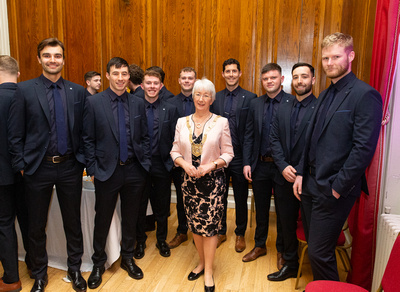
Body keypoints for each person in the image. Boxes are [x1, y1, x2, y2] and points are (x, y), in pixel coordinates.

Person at [293, 32, 382, 281]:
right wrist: (300, 173)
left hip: (333, 189)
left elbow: (363, 149)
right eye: (325, 58)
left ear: (350, 56)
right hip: (310, 185)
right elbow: (310, 140)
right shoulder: (325, 94)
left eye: (335, 57)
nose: (329, 63)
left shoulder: (365, 95)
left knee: (320, 253)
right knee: (316, 248)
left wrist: (337, 188)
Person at [8, 38, 87, 292]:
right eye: (47, 55)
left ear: (64, 59)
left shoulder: (78, 91)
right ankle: (40, 274)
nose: (52, 60)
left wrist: (82, 161)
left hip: (69, 168)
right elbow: (14, 133)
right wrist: (21, 165)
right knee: (35, 225)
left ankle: (75, 270)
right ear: (39, 59)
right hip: (36, 169)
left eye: (57, 55)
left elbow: (84, 131)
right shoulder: (24, 90)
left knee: (73, 223)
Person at [83, 57, 151, 289]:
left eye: (124, 74)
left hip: (134, 170)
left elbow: (145, 137)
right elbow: (88, 139)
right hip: (106, 172)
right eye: (116, 73)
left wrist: (145, 164)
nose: (121, 78)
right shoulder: (94, 103)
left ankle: (128, 259)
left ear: (128, 77)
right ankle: (98, 264)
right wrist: (92, 169)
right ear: (108, 75)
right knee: (102, 219)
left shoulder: (138, 102)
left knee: (131, 218)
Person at [170, 78, 234, 292]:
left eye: (206, 95)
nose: (201, 98)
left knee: (210, 228)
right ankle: (201, 262)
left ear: (212, 99)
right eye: (198, 94)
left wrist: (211, 166)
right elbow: (174, 151)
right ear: (193, 96)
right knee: (195, 227)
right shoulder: (181, 122)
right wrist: (184, 164)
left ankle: (208, 271)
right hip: (189, 182)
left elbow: (228, 153)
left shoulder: (221, 122)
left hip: (213, 183)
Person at [268, 63, 317, 281]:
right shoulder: (283, 107)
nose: (299, 81)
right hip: (283, 176)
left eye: (304, 76)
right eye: (296, 77)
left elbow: (317, 144)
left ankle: (316, 274)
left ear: (313, 80)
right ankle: (290, 264)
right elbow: (274, 139)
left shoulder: (320, 108)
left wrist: (299, 171)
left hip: (308, 179)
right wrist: (283, 165)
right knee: (286, 223)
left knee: (310, 226)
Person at [242, 63, 292, 263]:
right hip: (260, 165)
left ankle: (281, 249)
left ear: (281, 79)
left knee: (282, 210)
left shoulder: (292, 102)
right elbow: (249, 135)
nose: (269, 81)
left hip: (282, 167)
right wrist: (247, 162)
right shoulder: (255, 103)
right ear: (261, 82)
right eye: (265, 79)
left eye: (273, 77)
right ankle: (260, 245)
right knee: (261, 209)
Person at [210, 58, 256, 251]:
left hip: (238, 157)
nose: (230, 74)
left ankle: (240, 234)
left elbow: (250, 133)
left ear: (239, 73)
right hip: (219, 158)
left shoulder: (250, 97)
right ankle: (221, 232)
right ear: (223, 74)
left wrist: (247, 161)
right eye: (227, 71)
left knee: (240, 196)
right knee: (218, 196)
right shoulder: (215, 98)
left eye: (234, 71)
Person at [133, 70, 178, 259]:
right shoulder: (134, 107)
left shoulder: (171, 108)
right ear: (142, 86)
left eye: (155, 83)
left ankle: (161, 240)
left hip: (161, 165)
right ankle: (140, 242)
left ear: (161, 86)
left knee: (162, 206)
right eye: (148, 83)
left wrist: (170, 163)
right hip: (139, 166)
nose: (152, 86)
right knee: (139, 206)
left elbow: (177, 138)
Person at [167, 67, 196, 249]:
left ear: (195, 80)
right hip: (178, 161)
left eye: (190, 78)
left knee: (198, 198)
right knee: (181, 197)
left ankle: (199, 233)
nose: (186, 81)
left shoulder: (202, 100)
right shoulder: (170, 102)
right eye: (183, 78)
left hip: (200, 160)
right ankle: (182, 231)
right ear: (179, 80)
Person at [0, 55, 23, 292]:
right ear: (18, 74)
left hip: (3, 175)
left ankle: (10, 279)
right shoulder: (28, 96)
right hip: (29, 173)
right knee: (29, 222)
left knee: (4, 224)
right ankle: (36, 267)